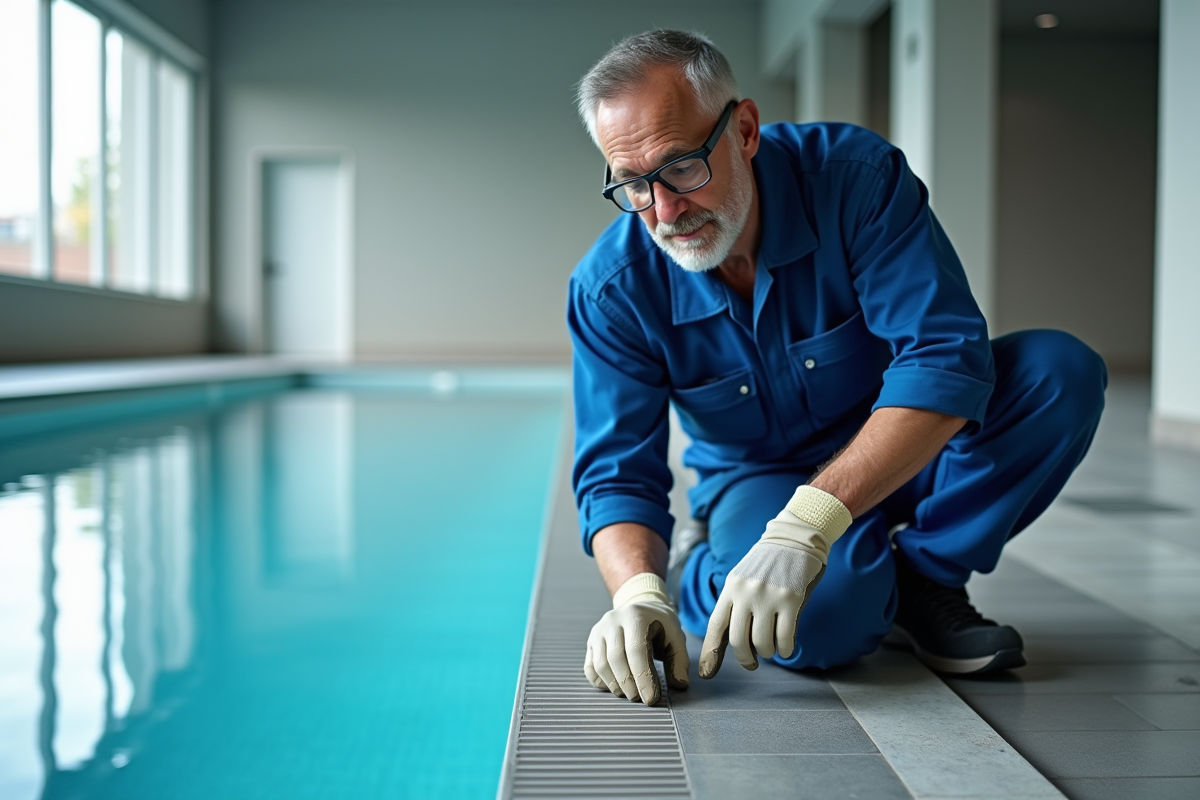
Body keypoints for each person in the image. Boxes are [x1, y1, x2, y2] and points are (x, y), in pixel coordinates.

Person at [569, 29, 1106, 707]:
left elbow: (944, 354)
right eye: (634, 186)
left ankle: (925, 579)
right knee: (823, 625)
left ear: (745, 129)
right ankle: (705, 576)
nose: (665, 211)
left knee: (1060, 372)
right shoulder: (612, 289)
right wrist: (640, 596)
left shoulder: (856, 182)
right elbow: (616, 472)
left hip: (903, 454)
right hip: (758, 481)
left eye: (681, 168)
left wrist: (810, 527)